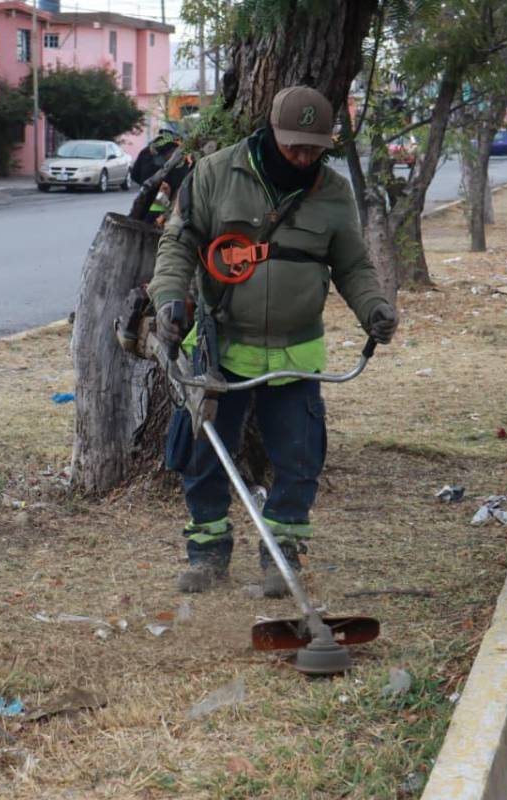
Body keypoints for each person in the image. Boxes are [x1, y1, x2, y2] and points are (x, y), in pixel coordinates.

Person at [147, 86, 398, 596]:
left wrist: (374, 307)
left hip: (296, 353)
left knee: (300, 458)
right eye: (294, 146)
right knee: (204, 454)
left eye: (314, 149)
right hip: (223, 347)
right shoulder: (216, 174)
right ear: (272, 132)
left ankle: (281, 552)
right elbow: (178, 242)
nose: (303, 157)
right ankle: (208, 551)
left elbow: (352, 264)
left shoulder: (331, 191)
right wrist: (170, 299)